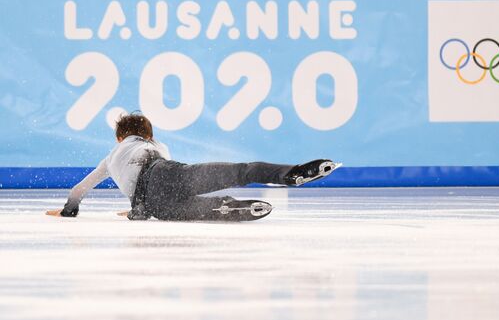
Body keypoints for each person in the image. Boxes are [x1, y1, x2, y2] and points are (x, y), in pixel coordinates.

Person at [46, 113, 338, 221]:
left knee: (202, 209)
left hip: (154, 208)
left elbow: (80, 189)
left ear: (119, 137)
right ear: (148, 135)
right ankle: (293, 173)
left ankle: (233, 208)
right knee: (240, 171)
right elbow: (157, 172)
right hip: (169, 176)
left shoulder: (112, 155)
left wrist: (70, 210)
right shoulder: (156, 146)